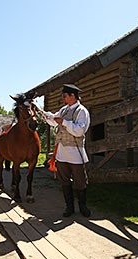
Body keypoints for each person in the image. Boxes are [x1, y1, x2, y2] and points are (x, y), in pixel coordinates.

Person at [41, 84, 91, 217]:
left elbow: (80, 130)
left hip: (75, 153)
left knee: (80, 182)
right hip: (62, 154)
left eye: (64, 96)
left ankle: (83, 206)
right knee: (64, 181)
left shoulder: (82, 111)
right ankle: (69, 207)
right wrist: (43, 114)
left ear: (72, 96)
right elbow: (53, 121)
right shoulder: (63, 110)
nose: (63, 98)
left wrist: (64, 122)